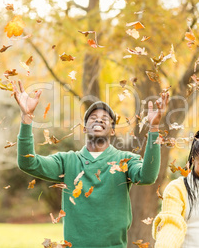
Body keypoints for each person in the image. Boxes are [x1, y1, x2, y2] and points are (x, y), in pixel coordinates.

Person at [12, 80, 169, 248]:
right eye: (93, 118)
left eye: (105, 119)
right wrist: (26, 118)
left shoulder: (125, 160)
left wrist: (154, 128)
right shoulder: (67, 161)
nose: (99, 120)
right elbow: (28, 163)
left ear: (113, 130)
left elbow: (148, 176)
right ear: (85, 128)